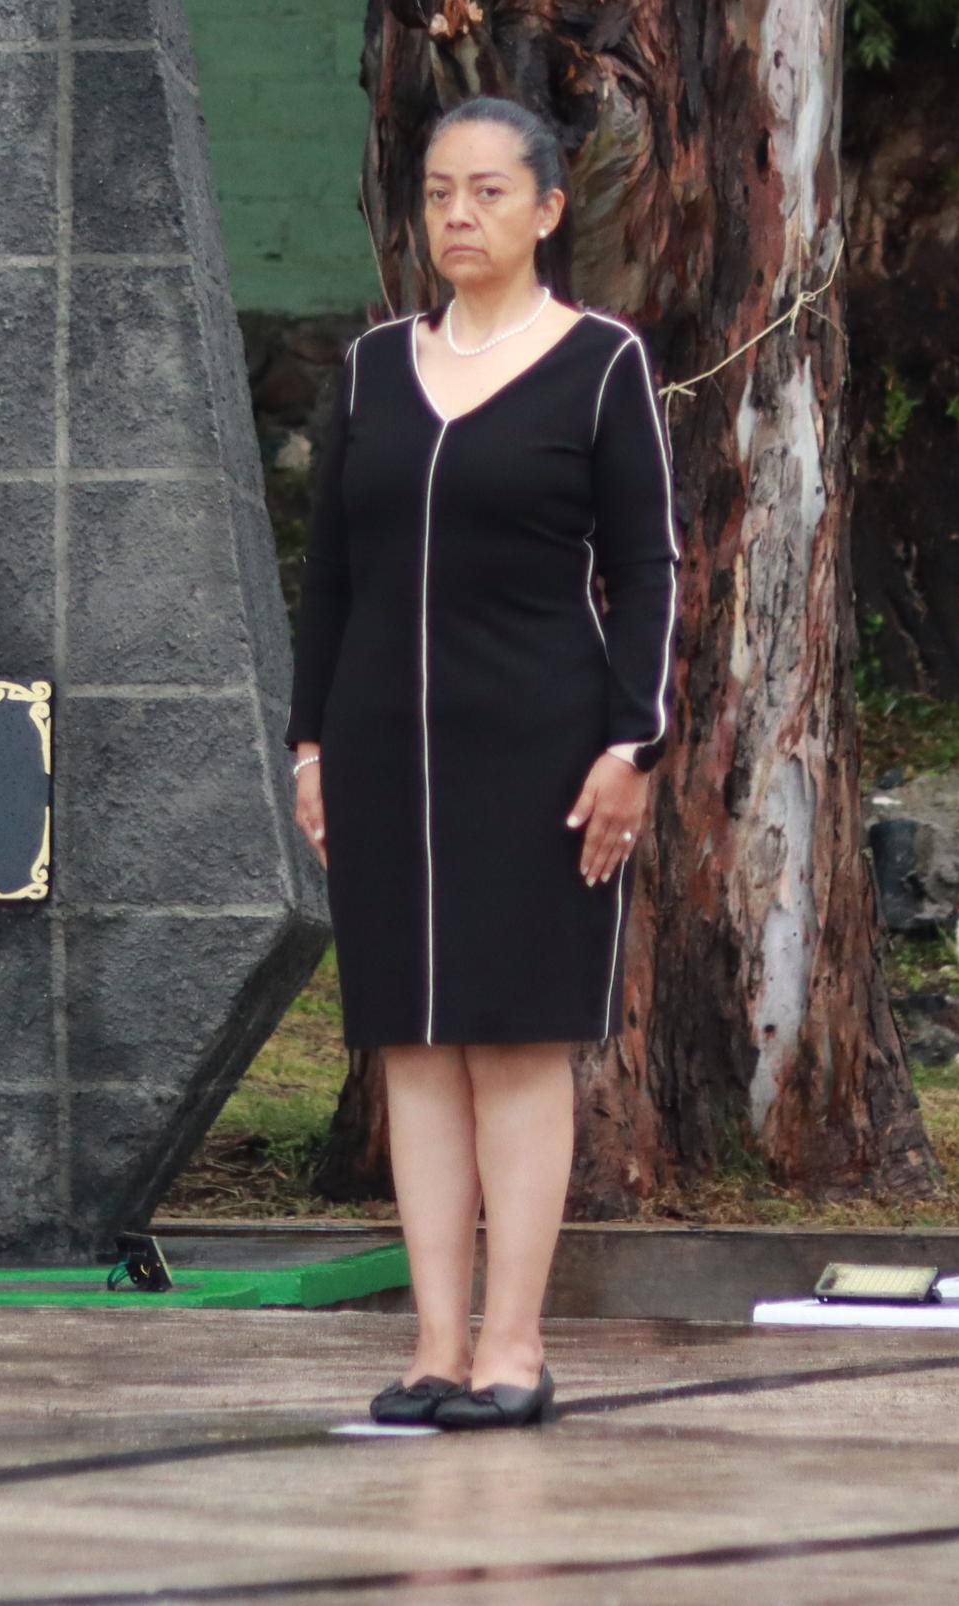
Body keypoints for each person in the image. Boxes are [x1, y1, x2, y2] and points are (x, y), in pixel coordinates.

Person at [290, 95, 676, 1430]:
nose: (460, 214)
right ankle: (434, 1344)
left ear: (549, 210)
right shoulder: (372, 370)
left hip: (546, 746)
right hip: (384, 744)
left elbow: (647, 570)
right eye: (441, 192)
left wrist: (634, 741)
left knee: (514, 1042)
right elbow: (330, 577)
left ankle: (514, 1345)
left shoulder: (601, 364)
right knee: (410, 1041)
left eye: (491, 192)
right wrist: (312, 740)